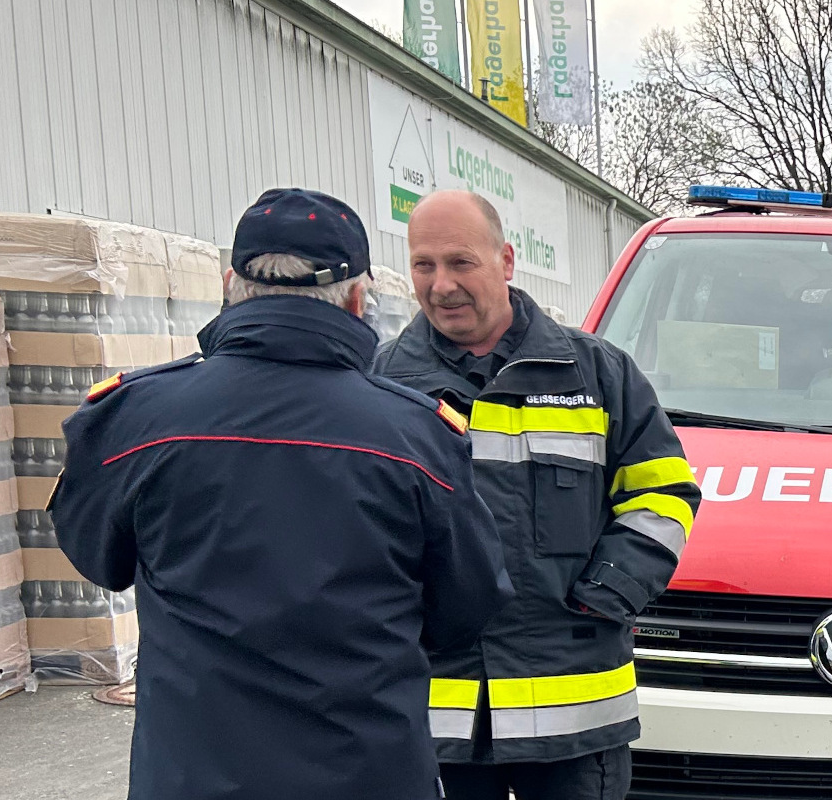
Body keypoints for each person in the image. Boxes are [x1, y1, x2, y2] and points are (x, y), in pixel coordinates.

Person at [51, 188, 509, 799]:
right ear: (357, 299)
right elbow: (467, 606)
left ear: (229, 286)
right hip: (369, 775)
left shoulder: (134, 418)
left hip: (190, 778)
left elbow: (97, 558)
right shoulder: (417, 436)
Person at [375, 190, 702, 800]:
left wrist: (607, 593)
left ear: (505, 260)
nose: (441, 285)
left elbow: (663, 493)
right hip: (433, 722)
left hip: (574, 714)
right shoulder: (381, 385)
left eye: (460, 262)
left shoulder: (599, 375)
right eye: (424, 265)